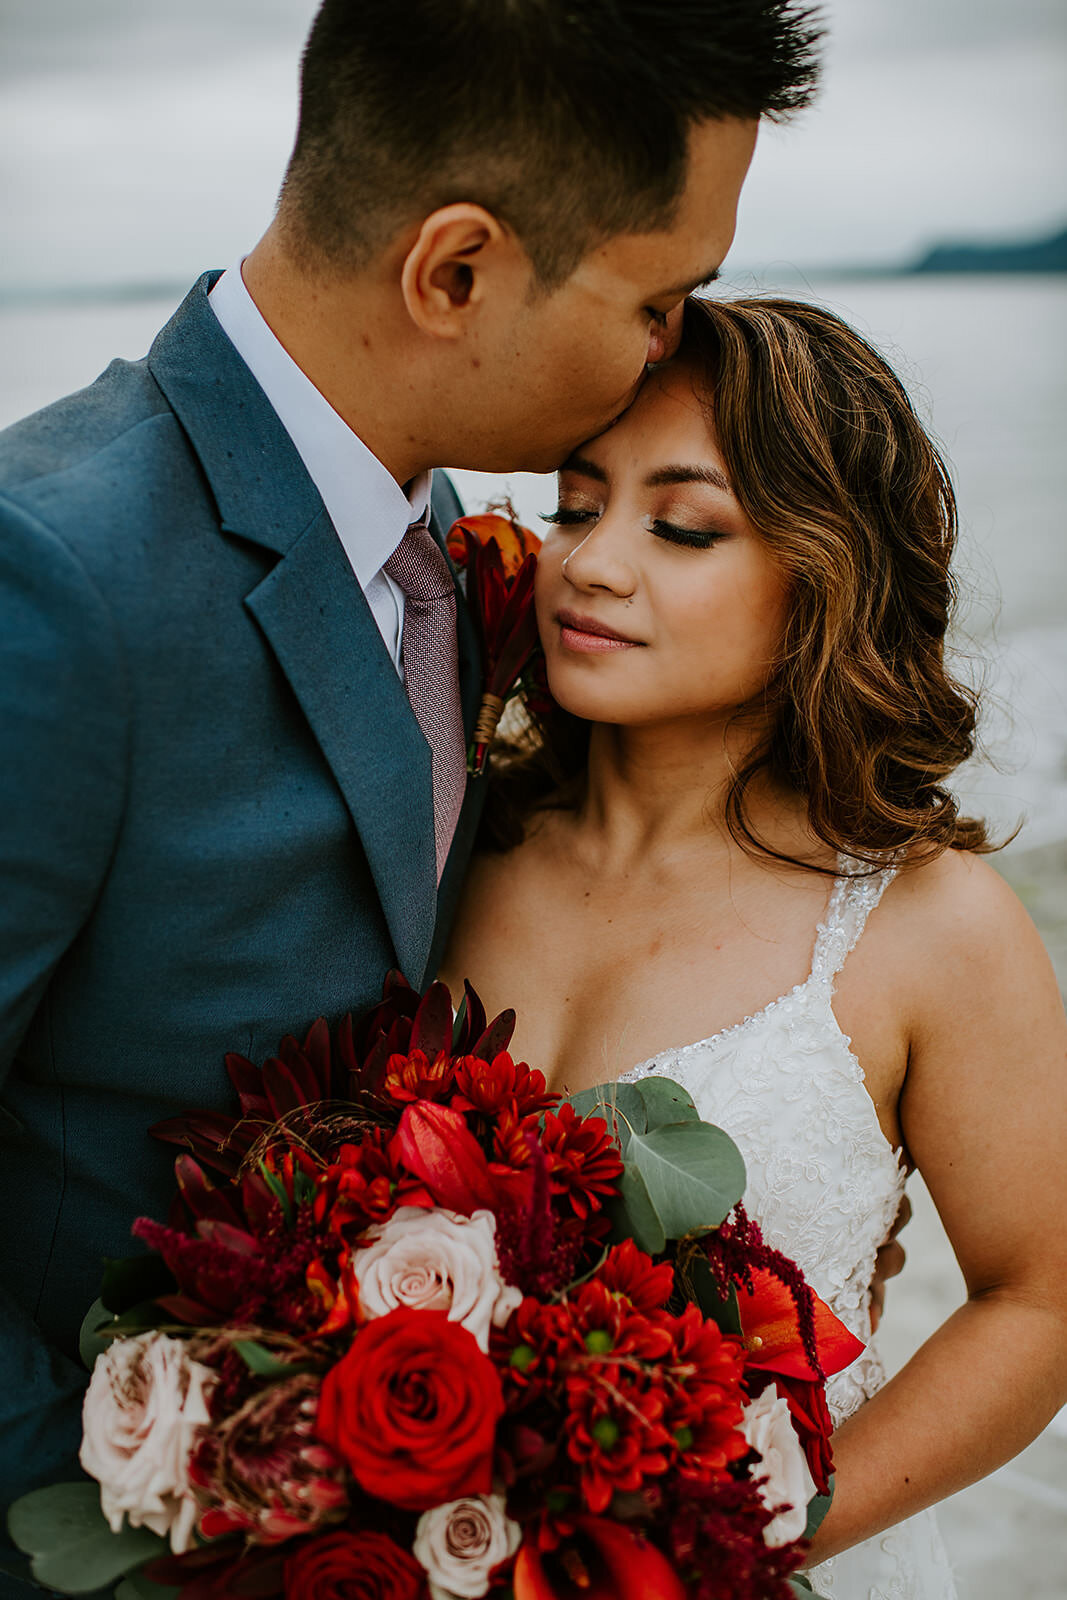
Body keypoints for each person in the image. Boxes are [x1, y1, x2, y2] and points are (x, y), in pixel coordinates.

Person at [0, 0, 824, 1555]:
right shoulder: (52, 573)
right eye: (660, 300)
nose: (669, 351)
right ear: (454, 271)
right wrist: (185, 1530)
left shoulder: (464, 560)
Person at [440, 296, 1067, 1596]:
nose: (592, 563)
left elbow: (1043, 1304)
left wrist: (745, 1546)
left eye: (680, 526)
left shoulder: (925, 926)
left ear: (826, 573)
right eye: (574, 505)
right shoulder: (448, 839)